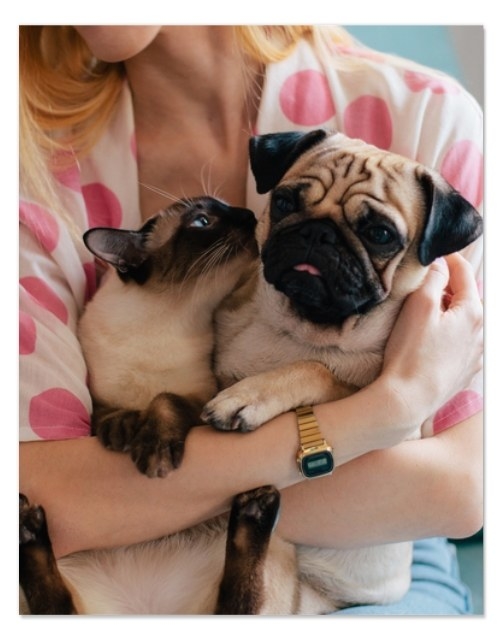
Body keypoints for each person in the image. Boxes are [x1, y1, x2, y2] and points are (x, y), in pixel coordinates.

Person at [19, 26, 483, 615]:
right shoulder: (29, 162)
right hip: (149, 573)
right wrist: (388, 409)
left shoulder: (426, 114)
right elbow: (42, 503)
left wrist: (136, 500)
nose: (318, 238)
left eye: (376, 232)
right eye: (290, 206)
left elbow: (461, 489)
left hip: (367, 566)